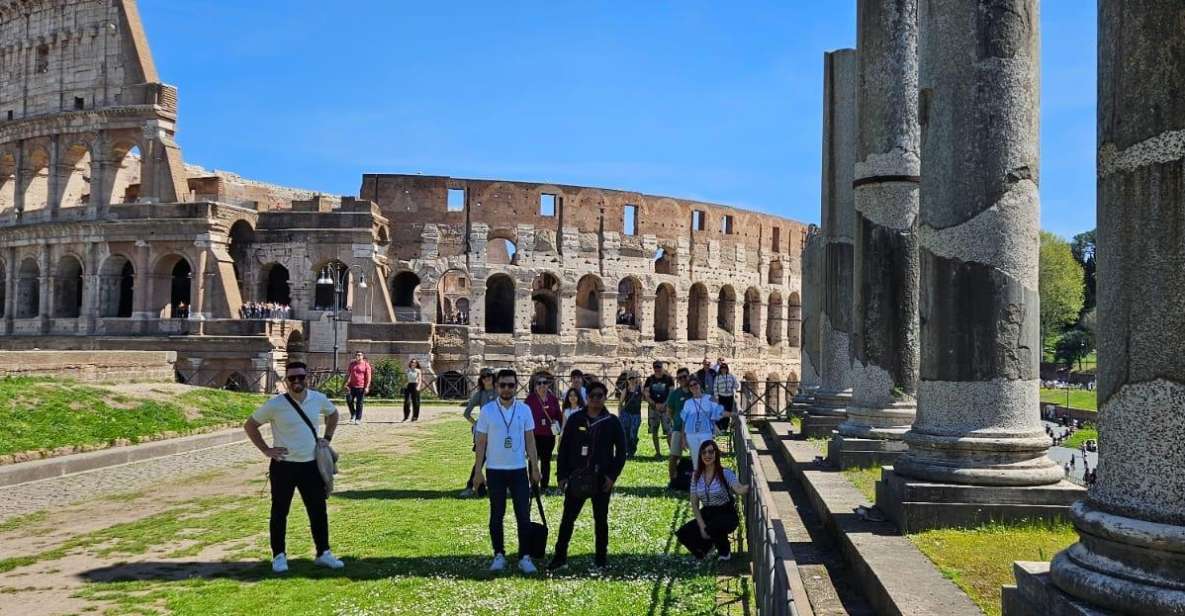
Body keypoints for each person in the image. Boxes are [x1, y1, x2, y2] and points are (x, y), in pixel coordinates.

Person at [243, 361, 345, 573]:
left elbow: (333, 414)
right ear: (287, 381)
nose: (297, 381)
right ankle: (279, 556)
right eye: (292, 378)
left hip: (310, 465)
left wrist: (327, 437)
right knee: (280, 512)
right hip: (284, 466)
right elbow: (250, 425)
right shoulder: (276, 404)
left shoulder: (318, 399)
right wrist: (266, 450)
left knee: (318, 511)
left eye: (301, 377)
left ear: (308, 378)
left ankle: (323, 553)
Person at [548, 381, 627, 571]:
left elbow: (622, 452)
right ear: (587, 397)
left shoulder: (612, 421)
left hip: (601, 478)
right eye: (593, 396)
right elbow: (564, 448)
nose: (596, 399)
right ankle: (560, 556)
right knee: (567, 519)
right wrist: (562, 476)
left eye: (600, 396)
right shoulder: (576, 419)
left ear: (605, 397)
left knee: (601, 520)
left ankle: (601, 558)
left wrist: (612, 476)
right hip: (577, 476)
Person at [471, 369, 542, 573]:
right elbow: (481, 442)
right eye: (503, 385)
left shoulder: (524, 410)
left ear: (516, 386)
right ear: (496, 386)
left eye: (511, 385)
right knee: (497, 514)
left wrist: (535, 467)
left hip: (518, 469)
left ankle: (524, 556)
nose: (507, 389)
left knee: (523, 515)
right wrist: (478, 471)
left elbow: (530, 440)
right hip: (495, 470)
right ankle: (499, 554)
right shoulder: (487, 411)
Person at [676, 439, 749, 561]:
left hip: (726, 513)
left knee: (714, 526)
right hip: (707, 513)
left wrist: (752, 485)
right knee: (683, 533)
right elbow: (694, 504)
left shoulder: (725, 473)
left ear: (716, 454)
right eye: (704, 452)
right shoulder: (696, 476)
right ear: (700, 456)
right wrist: (701, 526)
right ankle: (706, 551)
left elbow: (739, 489)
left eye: (711, 452)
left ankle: (724, 553)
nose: (707, 455)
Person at [461, 369, 498, 497]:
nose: (487, 378)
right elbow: (466, 413)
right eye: (484, 377)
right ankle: (470, 486)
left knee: (500, 460)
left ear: (493, 377)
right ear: (481, 380)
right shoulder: (480, 395)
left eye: (489, 376)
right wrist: (476, 423)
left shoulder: (500, 391)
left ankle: (502, 485)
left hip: (499, 432)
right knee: (480, 459)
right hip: (485, 433)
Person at [526, 376, 563, 494]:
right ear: (535, 386)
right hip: (533, 434)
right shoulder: (530, 399)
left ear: (548, 385)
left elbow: (558, 414)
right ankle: (533, 484)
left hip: (548, 434)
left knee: (546, 460)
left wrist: (557, 423)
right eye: (539, 383)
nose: (542, 385)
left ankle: (545, 486)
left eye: (544, 383)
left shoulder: (552, 399)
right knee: (533, 460)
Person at [681, 378, 727, 470]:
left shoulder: (709, 398)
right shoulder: (687, 403)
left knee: (708, 456)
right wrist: (683, 438)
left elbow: (718, 412)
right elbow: (684, 421)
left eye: (695, 384)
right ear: (689, 389)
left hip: (706, 432)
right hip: (691, 433)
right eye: (691, 385)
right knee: (695, 459)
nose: (694, 386)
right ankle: (697, 480)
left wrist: (733, 414)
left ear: (700, 385)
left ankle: (710, 479)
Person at [666, 368, 694, 483]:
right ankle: (673, 480)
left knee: (696, 457)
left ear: (689, 376)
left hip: (694, 430)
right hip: (678, 428)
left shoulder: (695, 390)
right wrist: (675, 421)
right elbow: (669, 410)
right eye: (680, 378)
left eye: (684, 377)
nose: (682, 379)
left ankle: (694, 482)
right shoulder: (675, 394)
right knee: (673, 456)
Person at [643, 361, 675, 458]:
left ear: (662, 367)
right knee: (655, 431)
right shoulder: (649, 379)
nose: (657, 369)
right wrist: (654, 404)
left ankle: (672, 453)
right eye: (655, 367)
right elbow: (646, 393)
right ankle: (658, 453)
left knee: (669, 431)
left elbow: (671, 393)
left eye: (659, 367)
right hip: (653, 408)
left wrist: (665, 404)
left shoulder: (668, 379)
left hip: (666, 409)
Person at [618, 372, 644, 457]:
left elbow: (646, 396)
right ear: (628, 380)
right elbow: (620, 403)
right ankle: (629, 452)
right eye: (630, 379)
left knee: (634, 433)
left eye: (633, 378)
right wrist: (620, 415)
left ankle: (632, 449)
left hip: (636, 414)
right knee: (626, 433)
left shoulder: (640, 388)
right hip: (626, 414)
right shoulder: (626, 390)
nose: (632, 380)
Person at [345, 351, 372, 425]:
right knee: (349, 400)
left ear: (363, 356)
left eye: (359, 355)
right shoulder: (352, 364)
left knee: (359, 403)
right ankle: (353, 414)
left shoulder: (366, 365)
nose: (358, 356)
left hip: (361, 386)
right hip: (351, 386)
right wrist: (345, 384)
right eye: (357, 355)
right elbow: (348, 374)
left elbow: (368, 377)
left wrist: (367, 387)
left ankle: (358, 418)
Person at [713, 363, 738, 430]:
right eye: (722, 368)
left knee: (728, 412)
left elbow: (736, 384)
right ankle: (719, 427)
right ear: (720, 369)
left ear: (727, 369)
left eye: (725, 368)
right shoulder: (718, 377)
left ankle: (725, 428)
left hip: (729, 397)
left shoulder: (731, 376)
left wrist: (733, 389)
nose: (723, 370)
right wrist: (716, 398)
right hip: (721, 397)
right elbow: (715, 388)